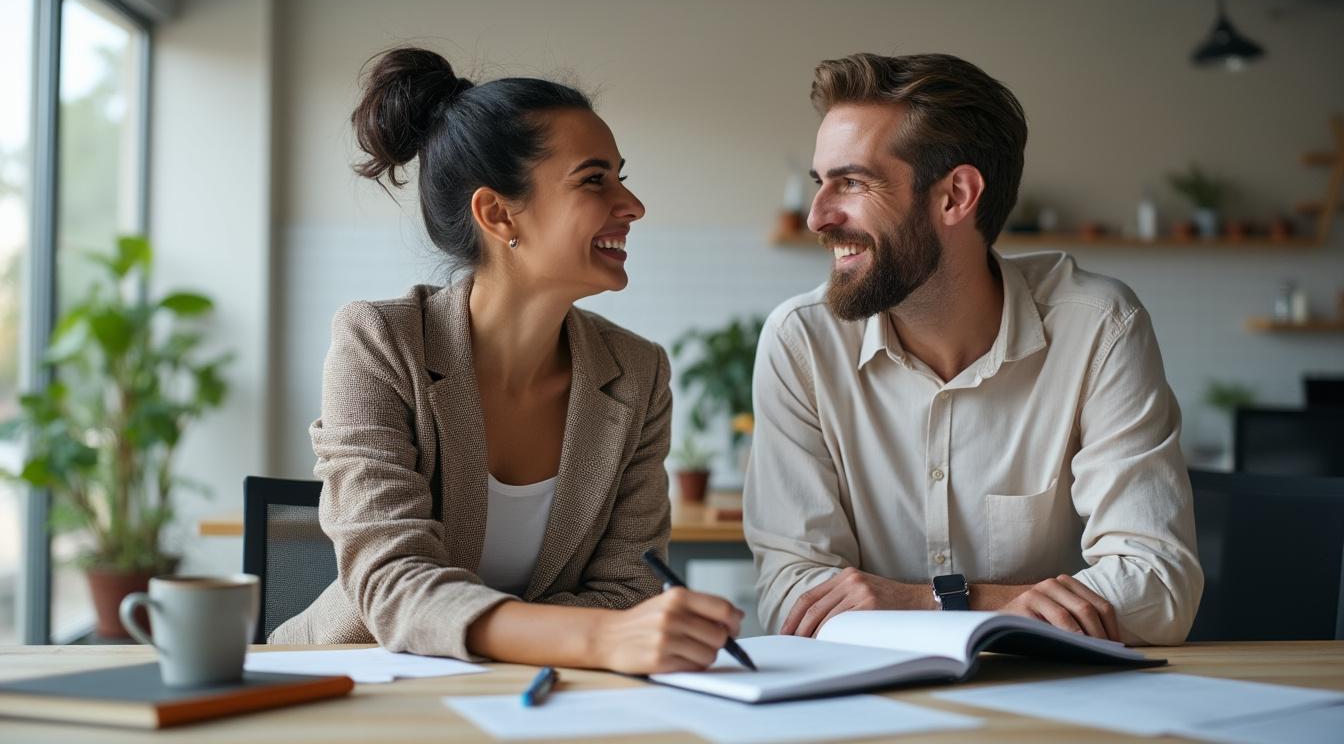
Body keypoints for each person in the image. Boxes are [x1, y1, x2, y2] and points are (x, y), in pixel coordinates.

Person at [271, 47, 741, 673]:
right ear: (497, 213)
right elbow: (391, 581)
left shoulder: (637, 373)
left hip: (543, 695)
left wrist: (580, 641)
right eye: (595, 179)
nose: (632, 205)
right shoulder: (382, 342)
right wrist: (597, 639)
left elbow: (630, 585)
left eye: (621, 176)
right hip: (357, 684)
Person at [744, 52, 1202, 646]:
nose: (816, 217)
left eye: (852, 182)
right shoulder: (802, 341)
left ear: (956, 196)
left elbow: (1159, 591)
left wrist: (934, 600)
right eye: (820, 183)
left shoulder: (1098, 328)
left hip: (1052, 705)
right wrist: (1023, 603)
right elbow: (793, 600)